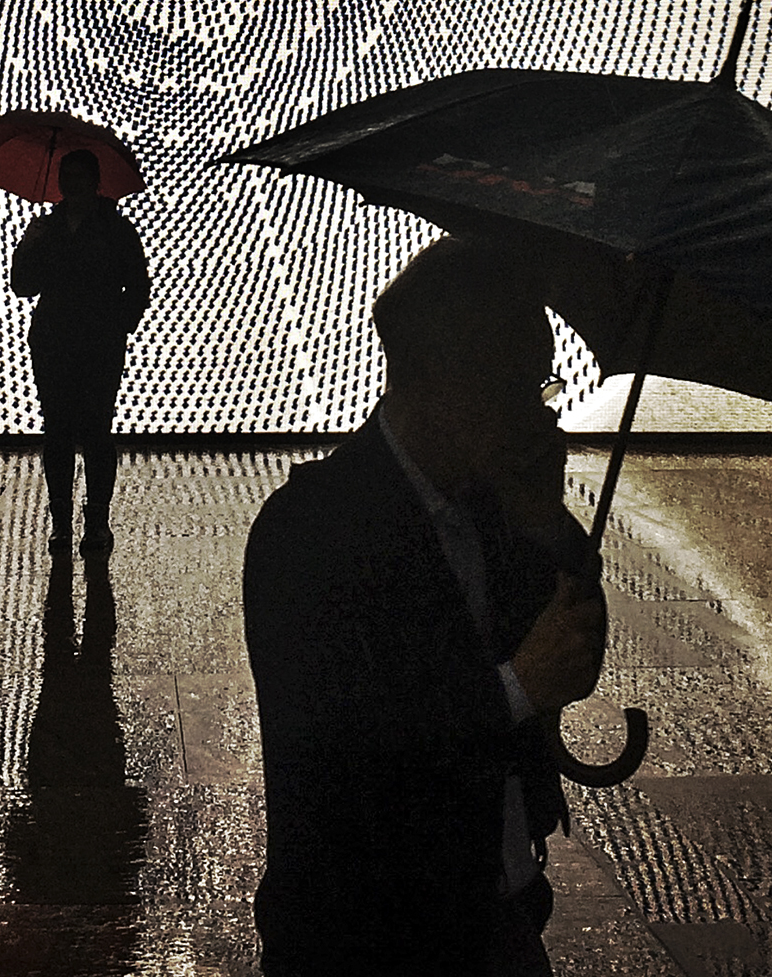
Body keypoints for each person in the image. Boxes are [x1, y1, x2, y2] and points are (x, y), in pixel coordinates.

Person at [242, 235, 609, 976]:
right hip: (370, 940)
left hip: (501, 916)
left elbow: (570, 651)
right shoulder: (307, 530)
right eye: (521, 386)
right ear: (445, 380)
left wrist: (544, 518)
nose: (537, 412)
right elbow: (344, 742)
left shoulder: (494, 505)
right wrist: (514, 690)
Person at [10, 148, 150, 556]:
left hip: (99, 341)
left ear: (93, 181)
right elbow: (23, 286)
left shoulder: (116, 230)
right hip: (54, 339)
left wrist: (118, 324)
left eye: (78, 176)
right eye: (65, 176)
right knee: (57, 429)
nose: (71, 184)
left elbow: (138, 285)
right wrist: (28, 248)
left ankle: (97, 521)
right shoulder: (46, 230)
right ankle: (62, 522)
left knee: (95, 429)